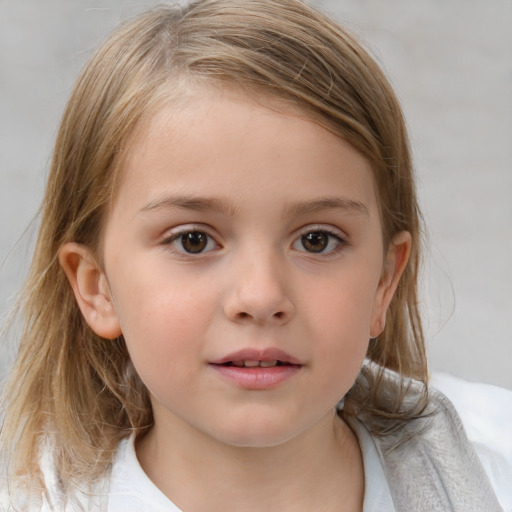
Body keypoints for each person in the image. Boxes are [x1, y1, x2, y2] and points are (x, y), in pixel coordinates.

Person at [0, 0, 510, 510]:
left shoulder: (494, 469)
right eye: (193, 240)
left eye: (317, 240)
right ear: (97, 287)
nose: (262, 296)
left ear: (384, 281)